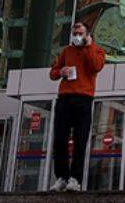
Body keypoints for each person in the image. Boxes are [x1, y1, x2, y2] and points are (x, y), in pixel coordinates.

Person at [48, 21, 106, 192]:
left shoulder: (97, 50)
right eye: (75, 33)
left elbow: (96, 66)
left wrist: (88, 46)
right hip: (64, 99)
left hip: (83, 100)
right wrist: (60, 72)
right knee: (60, 140)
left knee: (80, 141)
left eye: (80, 33)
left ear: (88, 35)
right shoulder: (66, 51)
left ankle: (75, 179)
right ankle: (61, 177)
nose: (77, 36)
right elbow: (52, 73)